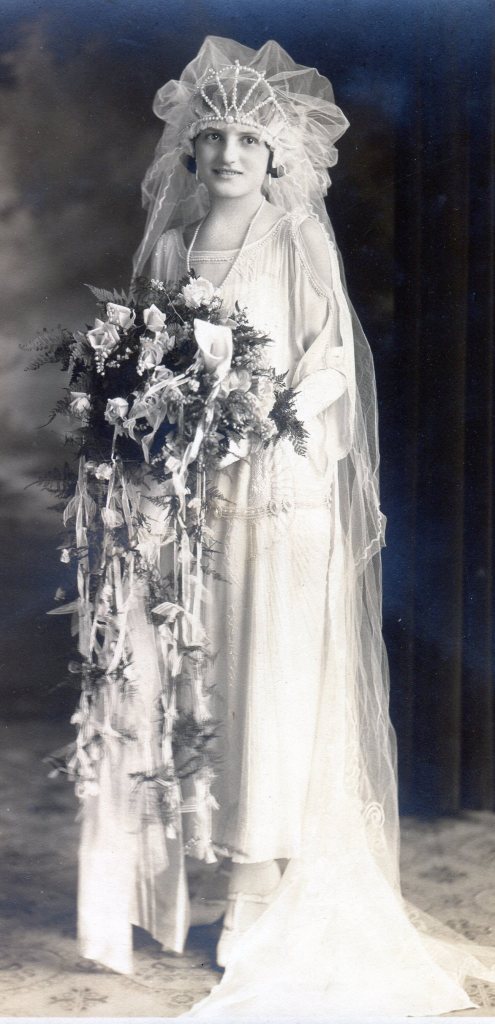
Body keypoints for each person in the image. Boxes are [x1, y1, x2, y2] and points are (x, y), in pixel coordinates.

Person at [79, 36, 495, 1018]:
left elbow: (334, 363)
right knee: (211, 679)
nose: (228, 153)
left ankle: (265, 888)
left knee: (272, 680)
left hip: (280, 493)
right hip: (198, 498)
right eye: (213, 134)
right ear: (190, 149)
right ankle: (233, 873)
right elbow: (148, 366)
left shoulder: (291, 240)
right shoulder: (177, 248)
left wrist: (271, 416)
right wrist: (152, 416)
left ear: (280, 160)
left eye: (249, 139)